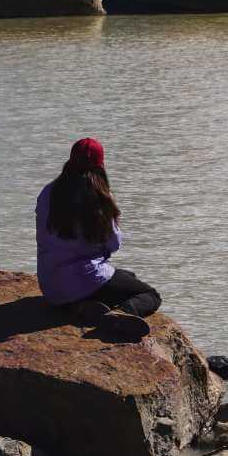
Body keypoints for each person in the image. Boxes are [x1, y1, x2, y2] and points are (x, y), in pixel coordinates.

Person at [36, 137, 161, 340]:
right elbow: (114, 244)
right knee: (150, 295)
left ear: (70, 160)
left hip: (51, 288)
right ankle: (121, 314)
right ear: (101, 165)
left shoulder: (48, 192)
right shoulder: (99, 197)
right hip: (86, 279)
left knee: (127, 276)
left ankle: (80, 307)